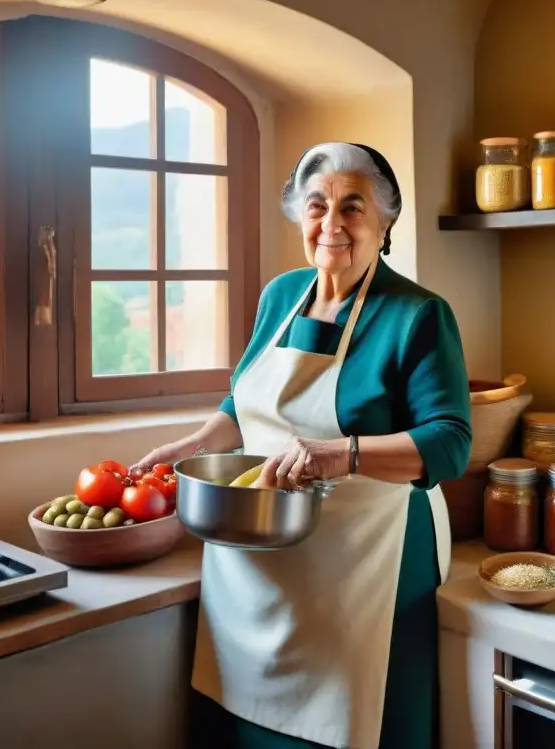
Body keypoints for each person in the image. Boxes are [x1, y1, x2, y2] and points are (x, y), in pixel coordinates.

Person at [131, 142, 472, 749]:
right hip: (253, 569)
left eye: (353, 207)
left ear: (385, 221)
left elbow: (449, 444)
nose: (332, 223)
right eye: (317, 206)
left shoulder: (418, 315)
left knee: (354, 722)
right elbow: (245, 405)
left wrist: (339, 453)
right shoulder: (280, 296)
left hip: (366, 564)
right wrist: (188, 446)